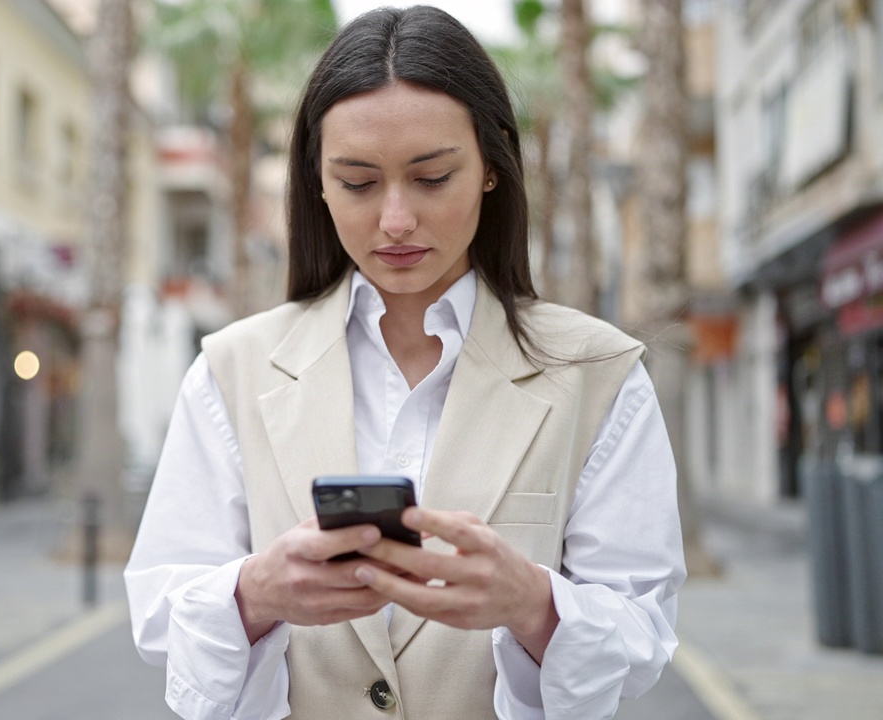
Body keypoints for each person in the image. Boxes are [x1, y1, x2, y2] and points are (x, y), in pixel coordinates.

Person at [124, 6, 686, 719]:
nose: (394, 221)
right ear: (317, 182)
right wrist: (255, 593)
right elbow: (160, 616)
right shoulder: (231, 370)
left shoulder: (598, 375)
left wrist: (535, 604)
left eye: (432, 178)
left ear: (490, 167)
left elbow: (643, 631)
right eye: (357, 182)